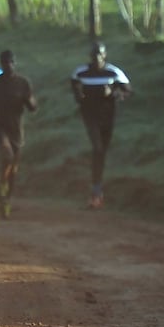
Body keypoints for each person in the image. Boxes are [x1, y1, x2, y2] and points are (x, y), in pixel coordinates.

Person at [70, 41, 132, 209]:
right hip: (90, 117)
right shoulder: (81, 72)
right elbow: (74, 87)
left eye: (100, 55)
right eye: (94, 55)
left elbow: (127, 90)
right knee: (97, 148)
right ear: (90, 57)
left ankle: (97, 188)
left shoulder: (113, 72)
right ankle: (95, 192)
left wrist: (112, 93)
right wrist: (80, 96)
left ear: (105, 56)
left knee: (101, 152)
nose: (97, 58)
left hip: (107, 117)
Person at [0, 50, 37, 219]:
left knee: (14, 169)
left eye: (11, 62)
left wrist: (31, 102)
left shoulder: (23, 83)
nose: (8, 65)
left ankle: (6, 198)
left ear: (14, 63)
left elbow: (32, 106)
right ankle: (1, 192)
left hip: (16, 129)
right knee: (7, 155)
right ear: (1, 64)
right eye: (5, 62)